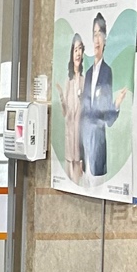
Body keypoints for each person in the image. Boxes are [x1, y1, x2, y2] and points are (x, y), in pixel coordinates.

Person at [80, 11, 128, 182]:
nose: (97, 39)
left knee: (96, 183)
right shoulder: (87, 73)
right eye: (94, 35)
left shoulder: (107, 72)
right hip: (84, 145)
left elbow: (108, 120)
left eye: (100, 34)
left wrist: (116, 104)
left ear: (105, 39)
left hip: (98, 146)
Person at [56, 31, 86, 182]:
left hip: (80, 143)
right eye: (75, 50)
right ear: (71, 54)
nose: (78, 53)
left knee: (79, 181)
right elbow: (65, 113)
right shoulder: (68, 82)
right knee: (69, 180)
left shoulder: (84, 81)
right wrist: (61, 96)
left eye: (80, 49)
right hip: (70, 141)